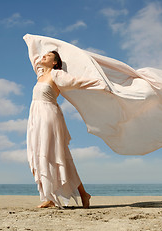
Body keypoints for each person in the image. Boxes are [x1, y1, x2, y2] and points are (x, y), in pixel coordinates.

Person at [27, 50, 105, 209]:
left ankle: (83, 193)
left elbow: (76, 82)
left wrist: (99, 82)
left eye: (48, 56)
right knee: (36, 155)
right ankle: (49, 197)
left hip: (49, 117)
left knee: (56, 156)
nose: (43, 57)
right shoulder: (40, 74)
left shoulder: (56, 75)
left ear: (55, 62)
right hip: (35, 118)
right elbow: (35, 55)